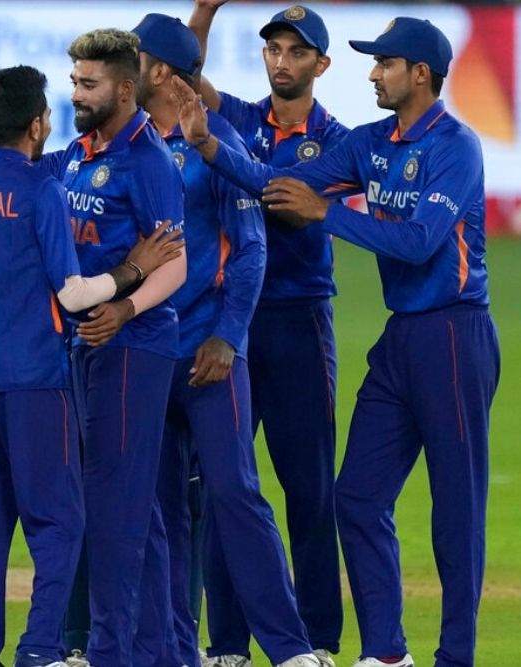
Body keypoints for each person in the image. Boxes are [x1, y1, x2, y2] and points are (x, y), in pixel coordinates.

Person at [176, 16, 500, 667]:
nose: (373, 72)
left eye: (383, 63)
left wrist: (329, 213)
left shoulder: (456, 147)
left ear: (419, 74)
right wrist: (211, 149)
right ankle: (385, 652)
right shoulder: (371, 143)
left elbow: (419, 242)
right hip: (401, 338)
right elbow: (277, 186)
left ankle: (455, 654)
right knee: (355, 494)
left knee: (455, 506)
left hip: (455, 333)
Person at [0, 65, 184, 667]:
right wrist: (133, 271)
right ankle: (40, 651)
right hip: (37, 381)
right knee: (60, 524)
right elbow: (70, 295)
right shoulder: (43, 191)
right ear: (38, 124)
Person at [132, 14, 323, 667]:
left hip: (208, 349)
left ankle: (290, 649)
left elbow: (249, 253)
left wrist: (229, 336)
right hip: (145, 351)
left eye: (132, 56)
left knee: (234, 490)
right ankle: (174, 649)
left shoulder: (218, 143)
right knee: (156, 507)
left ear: (157, 70)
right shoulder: (117, 144)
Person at [187, 4, 349, 664]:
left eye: (296, 51)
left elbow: (283, 199)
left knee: (309, 487)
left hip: (299, 320)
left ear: (320, 65)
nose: (281, 60)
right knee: (229, 483)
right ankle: (227, 643)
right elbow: (181, 76)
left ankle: (318, 640)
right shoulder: (241, 119)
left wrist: (215, 152)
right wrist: (204, 10)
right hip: (236, 321)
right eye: (273, 49)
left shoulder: (338, 141)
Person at [40, 28, 189, 667]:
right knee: (137, 512)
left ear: (125, 89)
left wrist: (125, 307)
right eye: (74, 81)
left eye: (88, 83)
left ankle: (111, 653)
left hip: (136, 345)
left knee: (112, 510)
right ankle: (163, 652)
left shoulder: (149, 160)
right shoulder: (77, 151)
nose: (76, 93)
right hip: (85, 342)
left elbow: (175, 266)